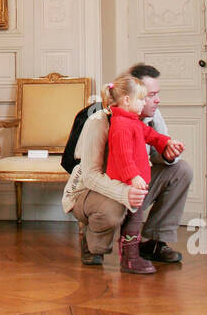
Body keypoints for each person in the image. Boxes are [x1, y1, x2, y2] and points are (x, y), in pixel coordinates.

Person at [63, 62, 191, 272]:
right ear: (127, 97)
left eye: (156, 94)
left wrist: (168, 152)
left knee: (181, 171)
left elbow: (155, 144)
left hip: (130, 183)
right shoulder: (100, 121)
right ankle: (93, 243)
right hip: (93, 190)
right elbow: (90, 175)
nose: (156, 100)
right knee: (113, 209)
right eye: (149, 95)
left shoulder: (150, 116)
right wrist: (125, 192)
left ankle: (153, 243)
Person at [104, 74, 182, 274]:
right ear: (127, 100)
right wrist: (133, 177)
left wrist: (166, 142)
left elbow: (151, 135)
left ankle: (131, 255)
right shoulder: (121, 125)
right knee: (133, 220)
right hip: (127, 184)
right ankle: (130, 258)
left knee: (134, 219)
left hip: (136, 182)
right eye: (141, 99)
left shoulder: (133, 121)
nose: (144, 103)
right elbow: (123, 156)